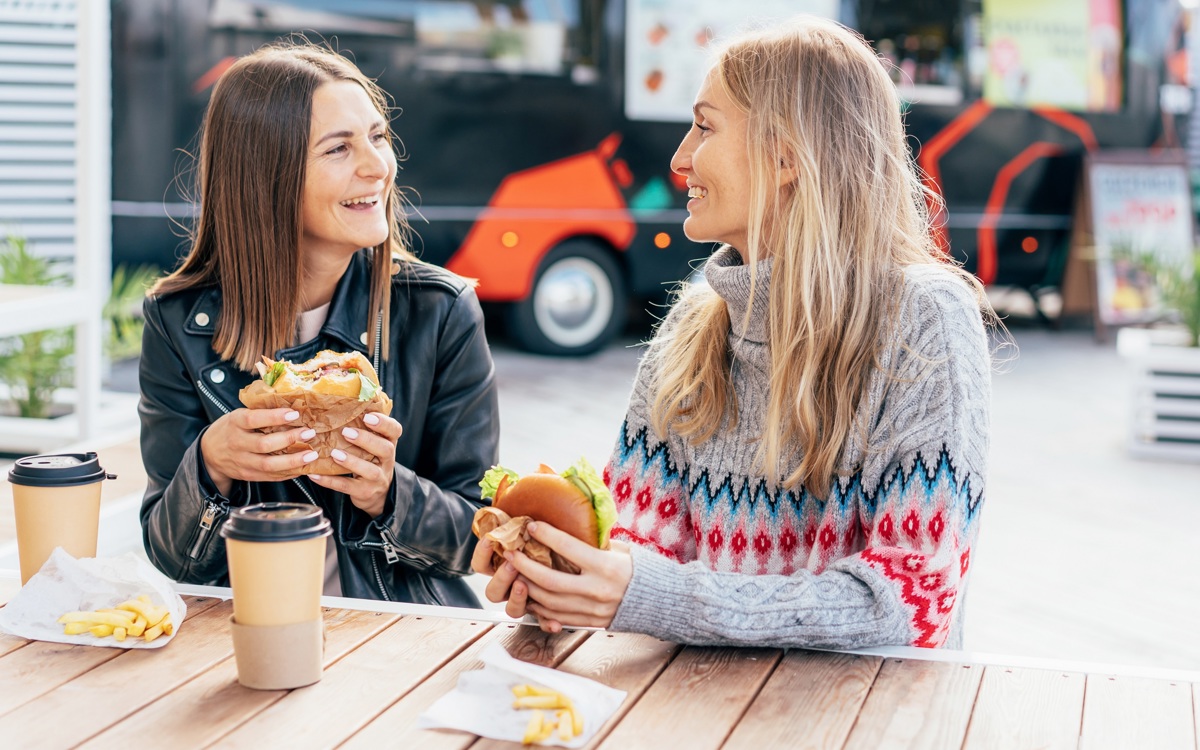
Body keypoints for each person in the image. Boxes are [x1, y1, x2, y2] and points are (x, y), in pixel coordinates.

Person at [474, 16, 996, 648]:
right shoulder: (694, 326)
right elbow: (635, 546)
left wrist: (640, 594)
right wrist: (560, 580)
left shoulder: (925, 318)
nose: (679, 159)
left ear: (784, 155)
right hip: (702, 712)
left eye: (705, 126)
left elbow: (912, 598)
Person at [138, 41, 499, 606]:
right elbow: (171, 557)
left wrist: (390, 491)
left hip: (401, 635)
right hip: (248, 631)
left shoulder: (440, 309)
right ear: (266, 177)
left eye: (378, 137)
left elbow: (480, 537)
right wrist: (210, 465)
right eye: (339, 148)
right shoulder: (178, 322)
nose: (378, 166)